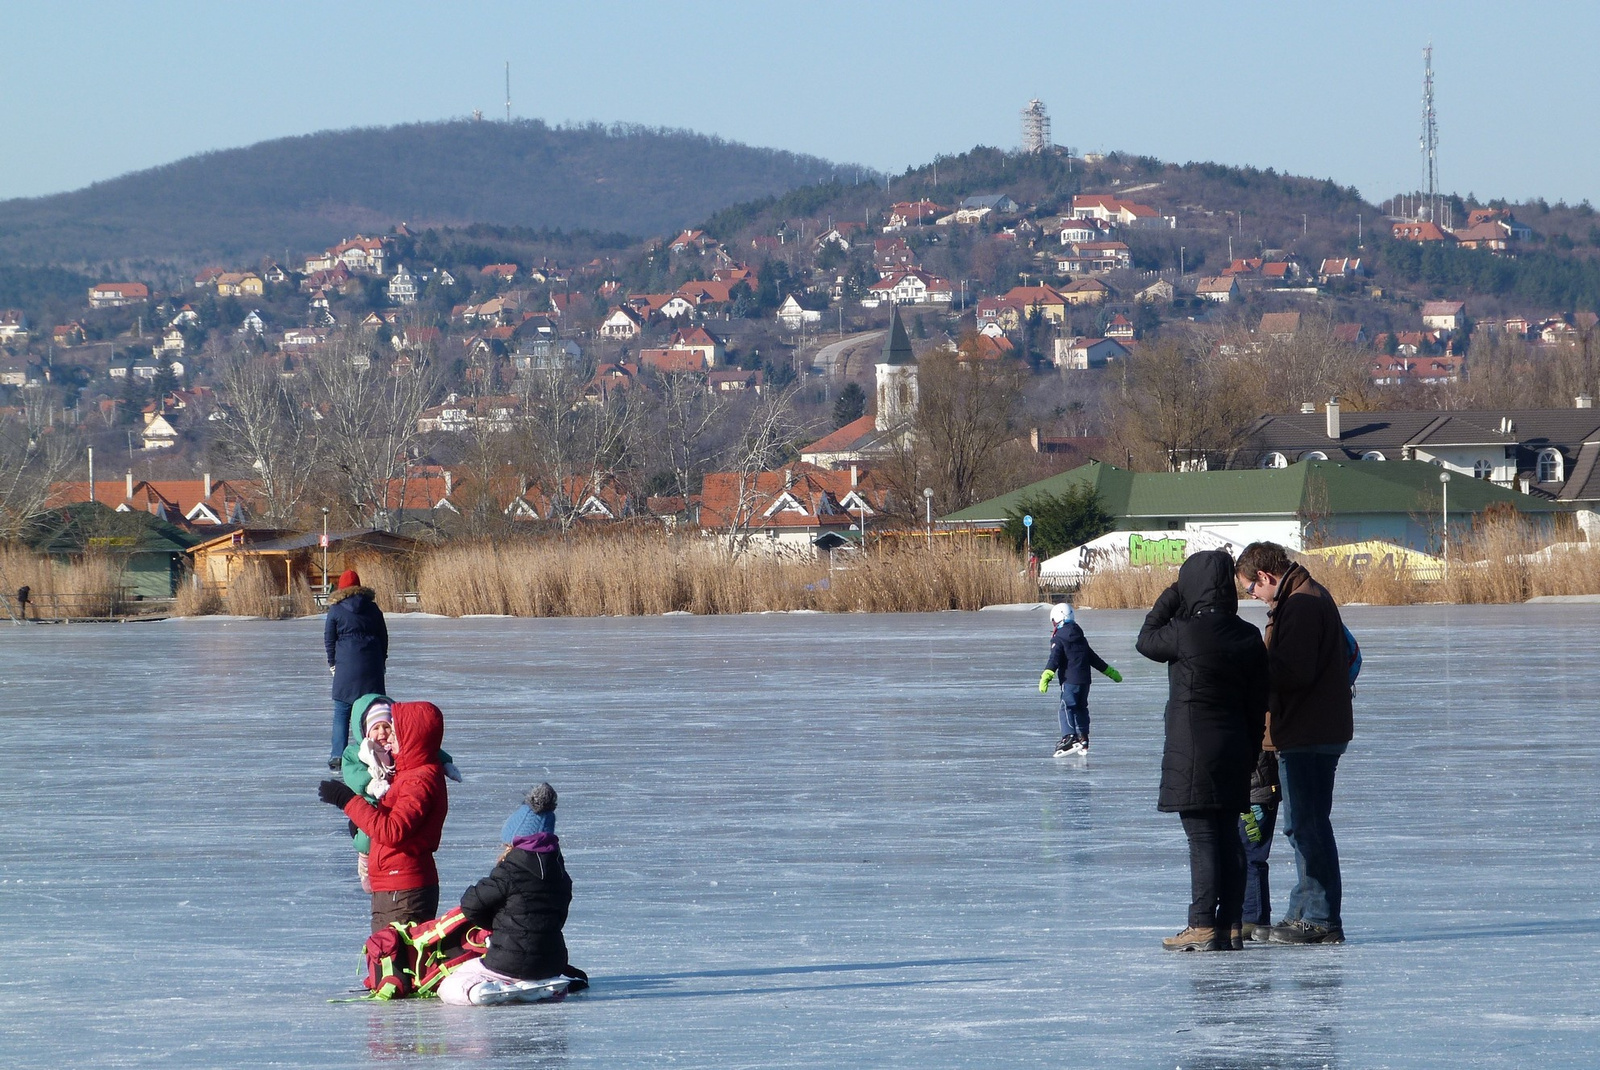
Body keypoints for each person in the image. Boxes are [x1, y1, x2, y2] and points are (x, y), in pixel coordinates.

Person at [1136, 550, 1268, 952]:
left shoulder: (1185, 632)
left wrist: (1175, 593)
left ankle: (1200, 925)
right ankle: (1229, 923)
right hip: (1235, 747)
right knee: (1228, 837)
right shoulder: (1247, 636)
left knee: (1202, 839)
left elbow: (1145, 639)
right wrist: (1249, 751)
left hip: (1192, 749)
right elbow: (1258, 699)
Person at [1236, 541, 1353, 945]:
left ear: (1265, 577)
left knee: (1308, 825)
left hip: (1309, 732)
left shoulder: (1301, 604)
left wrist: (1252, 671)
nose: (1252, 596)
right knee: (1303, 825)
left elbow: (1294, 673)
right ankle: (1303, 910)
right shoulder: (1299, 597)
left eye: (1251, 588)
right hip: (1310, 729)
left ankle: (1320, 918)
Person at [437, 784, 587, 1006]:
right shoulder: (561, 875)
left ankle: (478, 991)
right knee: (536, 972)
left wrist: (496, 925)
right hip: (552, 962)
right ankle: (537, 988)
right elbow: (557, 919)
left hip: (507, 962)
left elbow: (471, 904)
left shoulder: (510, 870)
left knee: (450, 984)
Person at [319, 700, 449, 933]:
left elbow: (392, 831)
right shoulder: (407, 772)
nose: (388, 739)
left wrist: (347, 801)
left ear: (413, 738)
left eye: (395, 734)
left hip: (403, 890)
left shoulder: (418, 780)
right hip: (395, 885)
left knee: (393, 965)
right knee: (387, 961)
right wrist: (365, 819)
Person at [1038, 603, 1122, 756]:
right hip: (1085, 681)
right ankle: (1083, 738)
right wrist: (1110, 672)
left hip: (1070, 680)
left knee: (1066, 707)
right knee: (1081, 708)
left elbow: (1054, 659)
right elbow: (1093, 658)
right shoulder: (1080, 637)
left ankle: (1069, 737)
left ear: (1057, 619)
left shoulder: (1059, 638)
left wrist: (1047, 675)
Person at [325, 569, 388, 770]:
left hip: (346, 667)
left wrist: (332, 663)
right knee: (371, 712)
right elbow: (383, 636)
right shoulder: (373, 608)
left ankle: (337, 755)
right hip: (372, 666)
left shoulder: (335, 610)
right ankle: (371, 751)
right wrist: (382, 660)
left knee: (342, 712)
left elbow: (329, 639)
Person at [1239, 745, 1280, 942]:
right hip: (1244, 792)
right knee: (1242, 853)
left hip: (1256, 794)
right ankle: (1249, 915)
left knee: (1252, 854)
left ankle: (1254, 917)